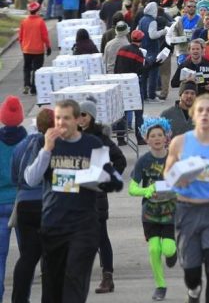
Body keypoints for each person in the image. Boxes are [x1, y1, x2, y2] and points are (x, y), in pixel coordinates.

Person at [24, 99, 123, 303]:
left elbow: (110, 180)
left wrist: (86, 178)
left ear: (78, 120)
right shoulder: (44, 143)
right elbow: (30, 178)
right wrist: (46, 150)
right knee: (52, 290)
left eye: (66, 118)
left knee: (74, 280)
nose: (61, 123)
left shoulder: (92, 143)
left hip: (83, 226)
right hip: (53, 225)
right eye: (58, 118)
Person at [163, 94, 209, 303]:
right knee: (192, 273)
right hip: (186, 211)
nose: (205, 113)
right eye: (200, 110)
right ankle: (193, 290)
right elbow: (167, 173)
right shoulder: (179, 143)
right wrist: (178, 179)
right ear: (193, 115)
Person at [77, 99, 127, 294]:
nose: (80, 119)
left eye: (84, 115)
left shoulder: (100, 139)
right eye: (78, 115)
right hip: (76, 195)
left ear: (91, 117)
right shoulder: (73, 137)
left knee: (100, 237)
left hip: (96, 196)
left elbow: (120, 160)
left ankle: (107, 276)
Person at [129, 117, 177, 301]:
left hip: (171, 211)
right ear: (146, 139)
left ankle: (172, 255)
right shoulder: (143, 161)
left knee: (168, 249)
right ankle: (160, 286)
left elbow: (185, 182)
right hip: (149, 213)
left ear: (166, 137)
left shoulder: (174, 157)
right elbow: (132, 189)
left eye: (160, 135)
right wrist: (146, 190)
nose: (157, 138)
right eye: (153, 136)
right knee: (154, 249)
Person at [10, 108, 54, 303]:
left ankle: (19, 298)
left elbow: (14, 177)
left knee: (27, 256)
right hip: (47, 203)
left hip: (25, 204)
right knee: (50, 258)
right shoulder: (54, 146)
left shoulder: (21, 146)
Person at [0, 96, 27, 300]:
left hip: (0, 201)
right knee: (26, 255)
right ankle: (21, 295)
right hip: (22, 202)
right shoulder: (27, 141)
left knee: (0, 257)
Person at [114, 30, 148, 145]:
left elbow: (116, 67)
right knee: (138, 112)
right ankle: (139, 138)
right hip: (134, 85)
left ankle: (120, 139)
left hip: (121, 83)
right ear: (141, 41)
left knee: (123, 112)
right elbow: (140, 71)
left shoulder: (121, 50)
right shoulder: (139, 53)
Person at [18, 1, 51, 95]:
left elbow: (20, 37)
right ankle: (34, 88)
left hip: (27, 49)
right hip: (38, 50)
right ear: (37, 10)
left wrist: (22, 47)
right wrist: (48, 47)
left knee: (27, 68)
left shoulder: (24, 22)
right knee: (37, 69)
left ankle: (26, 84)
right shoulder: (40, 22)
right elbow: (45, 36)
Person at [137, 2, 167, 101]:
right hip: (152, 49)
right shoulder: (152, 21)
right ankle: (152, 95)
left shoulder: (142, 20)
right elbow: (152, 35)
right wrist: (163, 32)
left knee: (144, 74)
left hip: (143, 49)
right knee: (154, 73)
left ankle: (143, 95)